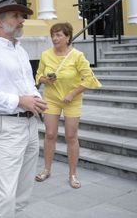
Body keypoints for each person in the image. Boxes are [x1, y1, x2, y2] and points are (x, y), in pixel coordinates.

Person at [0, 0, 48, 218]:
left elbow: (27, 85)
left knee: (24, 191)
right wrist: (19, 101)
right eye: (16, 16)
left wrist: (35, 99)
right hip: (5, 128)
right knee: (5, 193)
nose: (22, 20)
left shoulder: (21, 51)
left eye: (21, 15)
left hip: (29, 125)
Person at [34, 22, 101, 189]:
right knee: (50, 134)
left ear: (68, 37)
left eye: (59, 35)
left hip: (72, 100)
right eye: (53, 35)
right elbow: (38, 76)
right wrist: (45, 80)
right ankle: (46, 169)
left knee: (71, 136)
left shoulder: (77, 56)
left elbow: (90, 79)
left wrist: (72, 93)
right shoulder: (45, 55)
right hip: (51, 98)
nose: (55, 38)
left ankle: (72, 174)